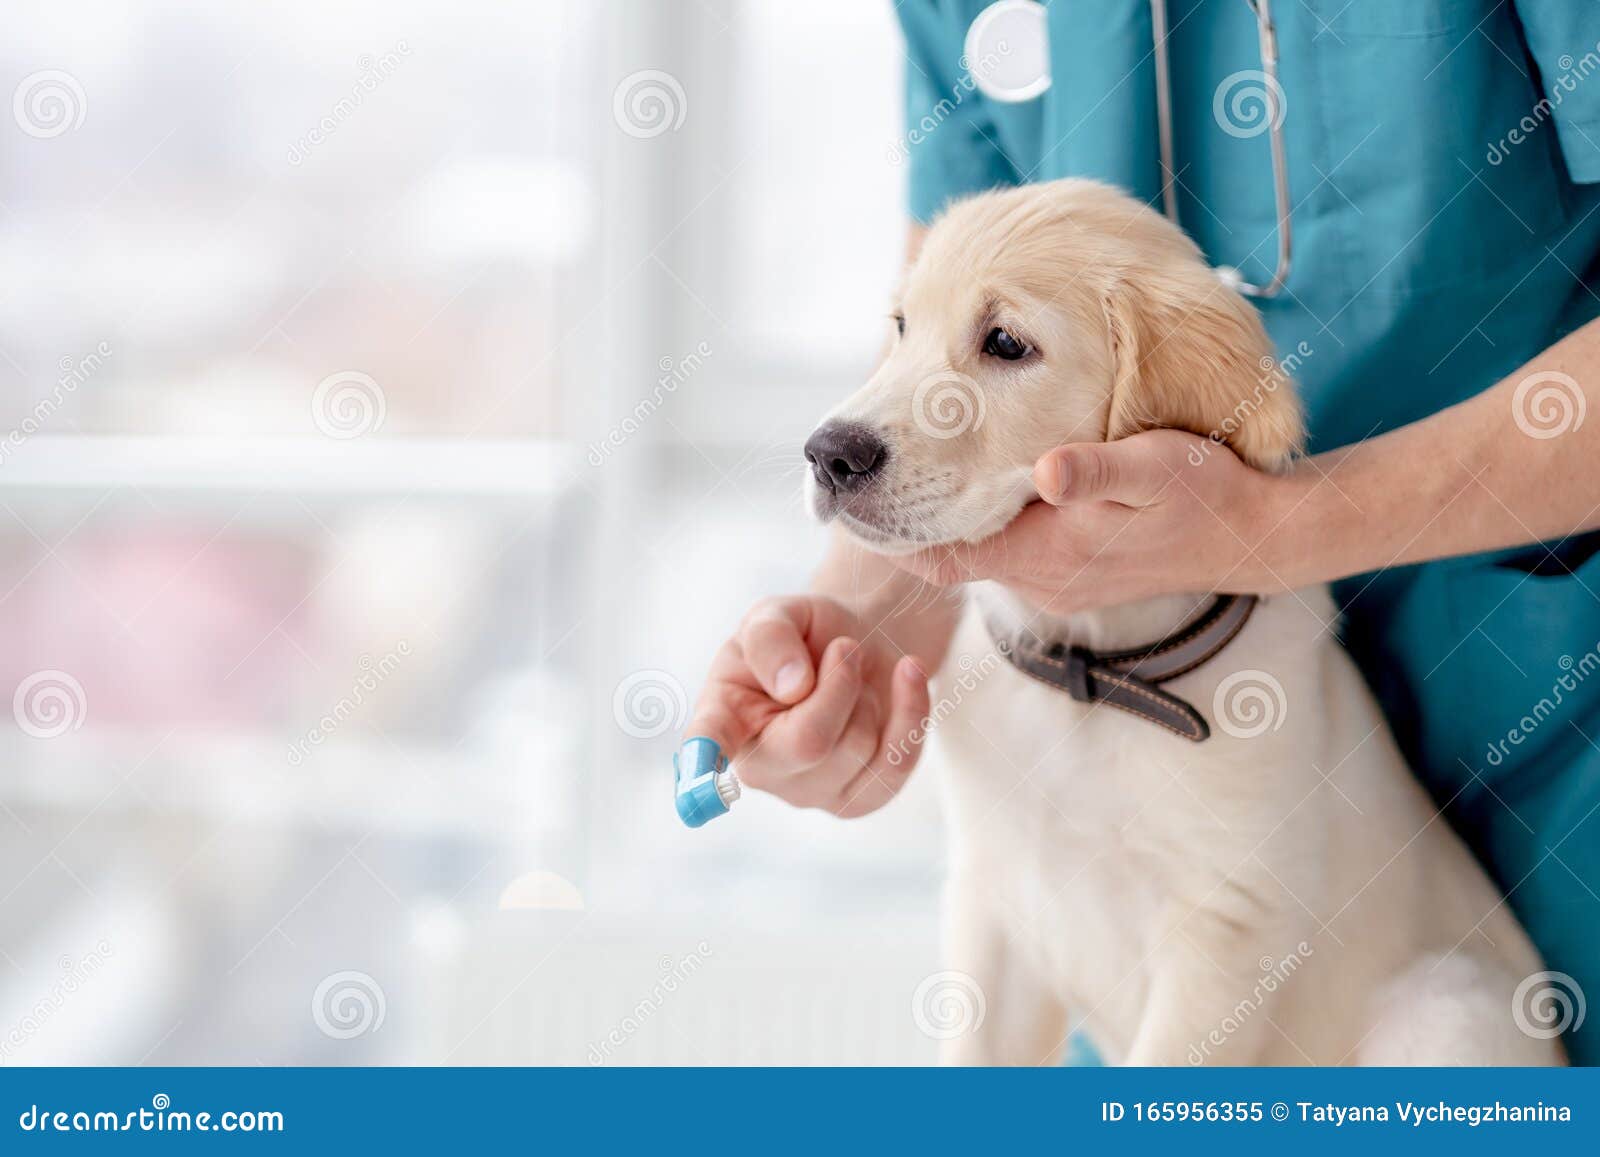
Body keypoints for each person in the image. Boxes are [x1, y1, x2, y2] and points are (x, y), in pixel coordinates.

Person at [686, 1, 1600, 1062]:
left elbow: (1230, 929)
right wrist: (864, 618)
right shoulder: (992, 664)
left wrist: (1269, 527)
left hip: (1535, 727)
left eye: (1006, 345)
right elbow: (946, 284)